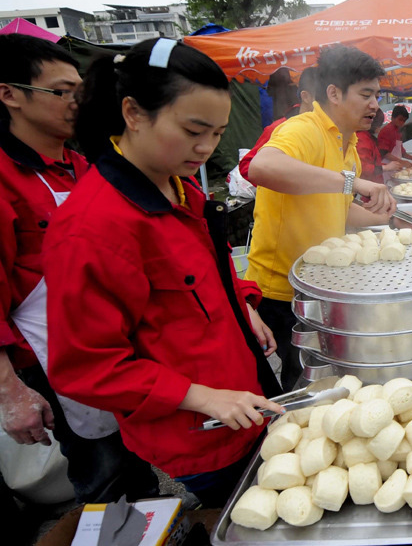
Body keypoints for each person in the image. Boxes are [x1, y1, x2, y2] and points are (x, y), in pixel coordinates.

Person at [42, 38, 286, 507]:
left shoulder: (180, 188)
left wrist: (244, 306)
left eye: (216, 133)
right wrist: (199, 396)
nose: (206, 147)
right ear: (133, 113)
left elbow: (206, 272)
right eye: (194, 129)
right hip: (200, 431)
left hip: (244, 396)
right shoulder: (92, 228)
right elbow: (84, 366)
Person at [0, 34, 161, 505]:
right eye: (61, 91)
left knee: (139, 462)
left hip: (114, 347)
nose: (76, 102)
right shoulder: (6, 179)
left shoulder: (82, 165)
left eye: (79, 90)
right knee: (101, 477)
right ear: (9, 94)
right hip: (51, 362)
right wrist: (11, 392)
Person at [245, 45, 396, 392]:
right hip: (283, 292)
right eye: (366, 94)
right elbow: (261, 167)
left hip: (321, 285)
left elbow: (339, 209)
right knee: (302, 380)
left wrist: (389, 221)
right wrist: (351, 181)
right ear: (334, 94)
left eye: (377, 95)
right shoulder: (304, 129)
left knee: (327, 373)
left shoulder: (349, 145)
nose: (375, 104)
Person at [239, 67, 315, 185]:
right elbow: (247, 167)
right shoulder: (279, 127)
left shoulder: (335, 127)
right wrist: (285, 182)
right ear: (306, 97)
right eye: (324, 98)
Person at [377, 104, 412, 170]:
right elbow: (384, 153)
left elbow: (402, 153)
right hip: (386, 166)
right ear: (392, 118)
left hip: (396, 166)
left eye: (404, 121)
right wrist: (402, 162)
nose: (402, 123)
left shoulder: (398, 131)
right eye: (400, 120)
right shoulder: (386, 130)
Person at [356, 112, 386, 184]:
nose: (379, 128)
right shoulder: (362, 138)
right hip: (368, 185)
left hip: (375, 183)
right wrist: (387, 167)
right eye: (379, 125)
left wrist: (385, 165)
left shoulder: (369, 137)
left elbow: (374, 160)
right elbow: (364, 168)